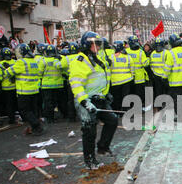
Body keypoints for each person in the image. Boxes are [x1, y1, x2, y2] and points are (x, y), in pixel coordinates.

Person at [69, 32, 118, 169]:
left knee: (112, 120)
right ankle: (90, 160)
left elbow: (103, 78)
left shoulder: (98, 58)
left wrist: (105, 93)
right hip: (86, 100)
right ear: (87, 44)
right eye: (94, 44)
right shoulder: (81, 60)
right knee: (89, 130)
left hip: (99, 98)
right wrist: (85, 102)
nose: (97, 46)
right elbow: (76, 83)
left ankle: (102, 147)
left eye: (98, 43)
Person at [5, 43, 45, 135]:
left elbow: (8, 73)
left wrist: (7, 68)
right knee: (33, 110)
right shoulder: (33, 61)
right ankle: (36, 128)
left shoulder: (21, 62)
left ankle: (36, 125)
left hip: (24, 91)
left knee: (24, 110)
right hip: (34, 90)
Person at [38, 44, 67, 123]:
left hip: (47, 86)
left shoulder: (43, 61)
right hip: (58, 84)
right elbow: (64, 69)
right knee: (59, 101)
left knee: (48, 103)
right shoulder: (58, 60)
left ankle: (50, 119)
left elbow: (39, 73)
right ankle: (64, 115)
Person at [56, 42, 80, 122]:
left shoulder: (67, 58)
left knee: (71, 100)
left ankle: (72, 117)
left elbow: (58, 65)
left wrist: (57, 59)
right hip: (82, 80)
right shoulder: (81, 56)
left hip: (72, 81)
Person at [108, 41, 135, 111]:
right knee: (126, 97)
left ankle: (118, 111)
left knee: (117, 97)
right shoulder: (128, 57)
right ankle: (126, 111)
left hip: (115, 81)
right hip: (127, 80)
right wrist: (132, 76)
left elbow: (108, 69)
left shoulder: (111, 57)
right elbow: (132, 67)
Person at [126, 36, 149, 108]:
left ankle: (132, 107)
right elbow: (145, 64)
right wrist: (148, 58)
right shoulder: (140, 52)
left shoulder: (126, 51)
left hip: (129, 76)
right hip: (140, 77)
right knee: (139, 94)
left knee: (131, 93)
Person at [0, 48, 17, 124]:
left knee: (9, 104)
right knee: (16, 103)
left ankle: (11, 119)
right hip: (16, 86)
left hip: (6, 87)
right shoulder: (15, 62)